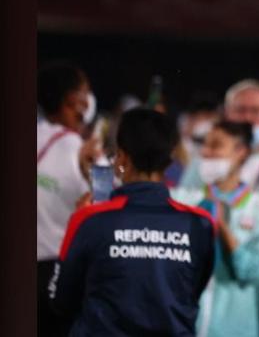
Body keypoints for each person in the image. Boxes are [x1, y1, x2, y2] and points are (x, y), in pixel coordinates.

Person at [49, 108, 217, 335]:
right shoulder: (200, 224)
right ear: (169, 161)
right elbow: (191, 291)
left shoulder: (90, 219)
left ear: (122, 157)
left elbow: (61, 300)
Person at [180, 79, 259, 337]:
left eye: (257, 111)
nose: (249, 117)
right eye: (241, 110)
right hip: (211, 302)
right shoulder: (199, 167)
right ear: (226, 114)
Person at [174, 120, 259, 337]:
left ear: (241, 152)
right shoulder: (183, 200)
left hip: (233, 329)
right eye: (205, 145)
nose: (206, 152)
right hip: (185, 327)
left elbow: (253, 273)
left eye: (216, 145)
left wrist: (222, 227)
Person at [37, 61, 101, 336]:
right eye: (85, 91)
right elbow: (106, 205)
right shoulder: (82, 152)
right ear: (74, 100)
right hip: (55, 271)